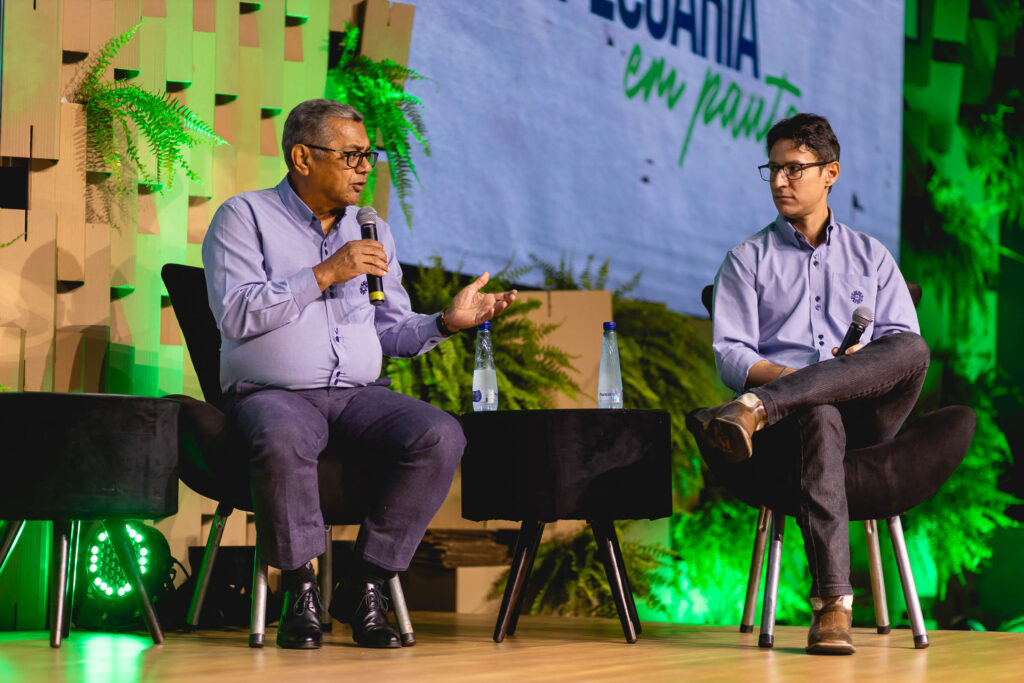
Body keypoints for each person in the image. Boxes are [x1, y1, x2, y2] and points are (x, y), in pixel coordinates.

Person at [202, 99, 517, 650]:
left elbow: (391, 330)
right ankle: (300, 591)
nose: (365, 167)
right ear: (303, 157)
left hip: (357, 396)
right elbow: (236, 313)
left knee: (440, 434)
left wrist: (446, 322)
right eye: (351, 155)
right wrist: (326, 272)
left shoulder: (373, 230)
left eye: (369, 155)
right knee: (282, 436)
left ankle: (366, 583)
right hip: (273, 394)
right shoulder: (244, 217)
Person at [690, 113, 929, 655]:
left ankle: (755, 407)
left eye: (794, 168)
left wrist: (849, 368)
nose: (780, 181)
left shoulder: (872, 256)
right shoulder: (746, 260)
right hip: (797, 426)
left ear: (830, 173)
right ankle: (833, 608)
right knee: (819, 410)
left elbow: (902, 345)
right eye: (773, 169)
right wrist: (801, 382)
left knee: (914, 347)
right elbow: (730, 354)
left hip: (869, 412)